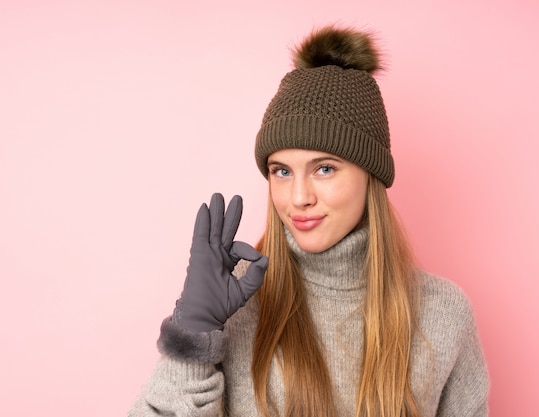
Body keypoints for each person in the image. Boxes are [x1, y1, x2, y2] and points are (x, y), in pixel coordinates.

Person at [129, 25, 490, 417]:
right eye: (281, 171)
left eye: (324, 169)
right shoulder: (233, 304)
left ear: (370, 176)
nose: (299, 197)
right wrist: (195, 334)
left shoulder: (442, 314)